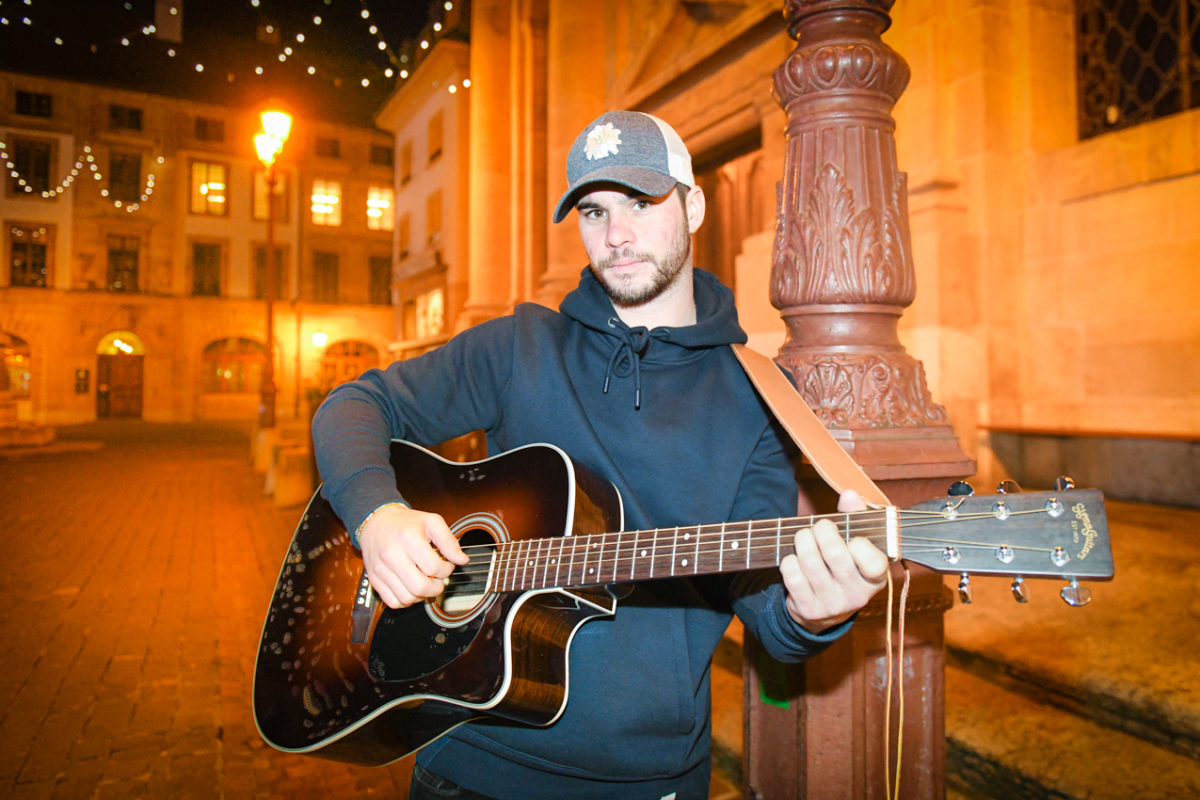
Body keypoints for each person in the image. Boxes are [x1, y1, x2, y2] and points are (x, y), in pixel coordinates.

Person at [311, 110, 889, 800]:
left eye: (641, 203)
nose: (616, 235)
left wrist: (816, 614)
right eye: (593, 211)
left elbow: (764, 608)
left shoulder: (760, 394)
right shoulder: (519, 347)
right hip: (465, 761)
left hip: (645, 780)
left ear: (694, 205)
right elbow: (351, 406)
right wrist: (379, 516)